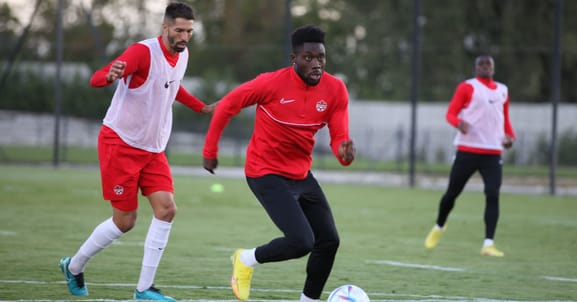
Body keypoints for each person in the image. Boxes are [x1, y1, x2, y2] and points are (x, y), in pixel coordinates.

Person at [58, 3, 214, 301]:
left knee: (167, 209)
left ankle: (144, 289)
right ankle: (74, 266)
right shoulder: (142, 52)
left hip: (153, 149)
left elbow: (171, 86)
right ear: (165, 27)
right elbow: (96, 78)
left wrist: (201, 107)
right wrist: (110, 75)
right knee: (124, 222)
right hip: (121, 144)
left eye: (189, 32)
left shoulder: (183, 54)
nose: (184, 36)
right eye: (179, 30)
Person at [202, 25, 356, 301]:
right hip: (264, 172)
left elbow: (339, 137)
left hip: (300, 174)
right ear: (293, 59)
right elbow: (228, 105)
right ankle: (245, 259)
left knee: (329, 241)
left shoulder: (335, 90)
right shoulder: (270, 83)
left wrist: (343, 152)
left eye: (321, 57)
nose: (316, 64)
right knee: (301, 242)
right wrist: (210, 148)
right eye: (308, 57)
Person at [424, 54, 515, 257]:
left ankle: (488, 244)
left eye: (488, 64)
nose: (485, 67)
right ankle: (439, 227)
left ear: (493, 68)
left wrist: (510, 136)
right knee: (452, 194)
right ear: (475, 68)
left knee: (492, 194)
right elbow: (450, 113)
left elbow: (505, 119)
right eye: (481, 64)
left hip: (493, 152)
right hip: (467, 150)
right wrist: (459, 123)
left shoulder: (503, 90)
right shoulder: (467, 87)